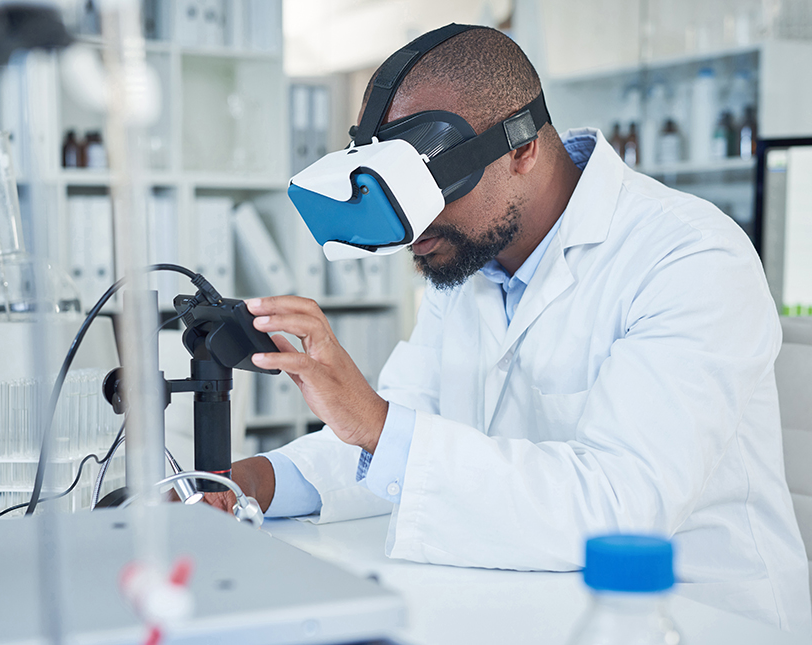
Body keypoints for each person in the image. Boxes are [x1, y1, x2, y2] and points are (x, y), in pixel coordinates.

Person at [207, 25, 811, 634]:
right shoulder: (467, 261)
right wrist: (252, 482)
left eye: (435, 188)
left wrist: (377, 421)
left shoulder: (689, 257)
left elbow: (622, 512)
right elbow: (387, 447)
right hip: (526, 602)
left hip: (693, 619)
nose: (416, 230)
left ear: (522, 147)